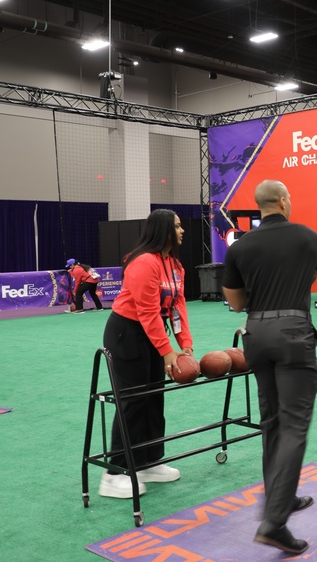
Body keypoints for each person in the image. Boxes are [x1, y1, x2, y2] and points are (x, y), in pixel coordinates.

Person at [222, 180, 317, 556]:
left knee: (272, 421)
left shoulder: (240, 246)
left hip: (256, 333)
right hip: (294, 330)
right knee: (295, 422)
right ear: (283, 201)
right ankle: (274, 522)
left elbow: (234, 303)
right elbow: (307, 279)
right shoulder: (308, 237)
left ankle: (281, 496)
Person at [98, 209, 192, 499]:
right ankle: (115, 473)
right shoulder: (144, 263)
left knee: (154, 398)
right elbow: (147, 311)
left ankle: (148, 461)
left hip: (152, 333)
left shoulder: (175, 265)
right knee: (133, 400)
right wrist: (167, 352)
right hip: (126, 333)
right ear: (164, 230)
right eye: (176, 226)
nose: (182, 231)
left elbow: (177, 306)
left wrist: (184, 345)